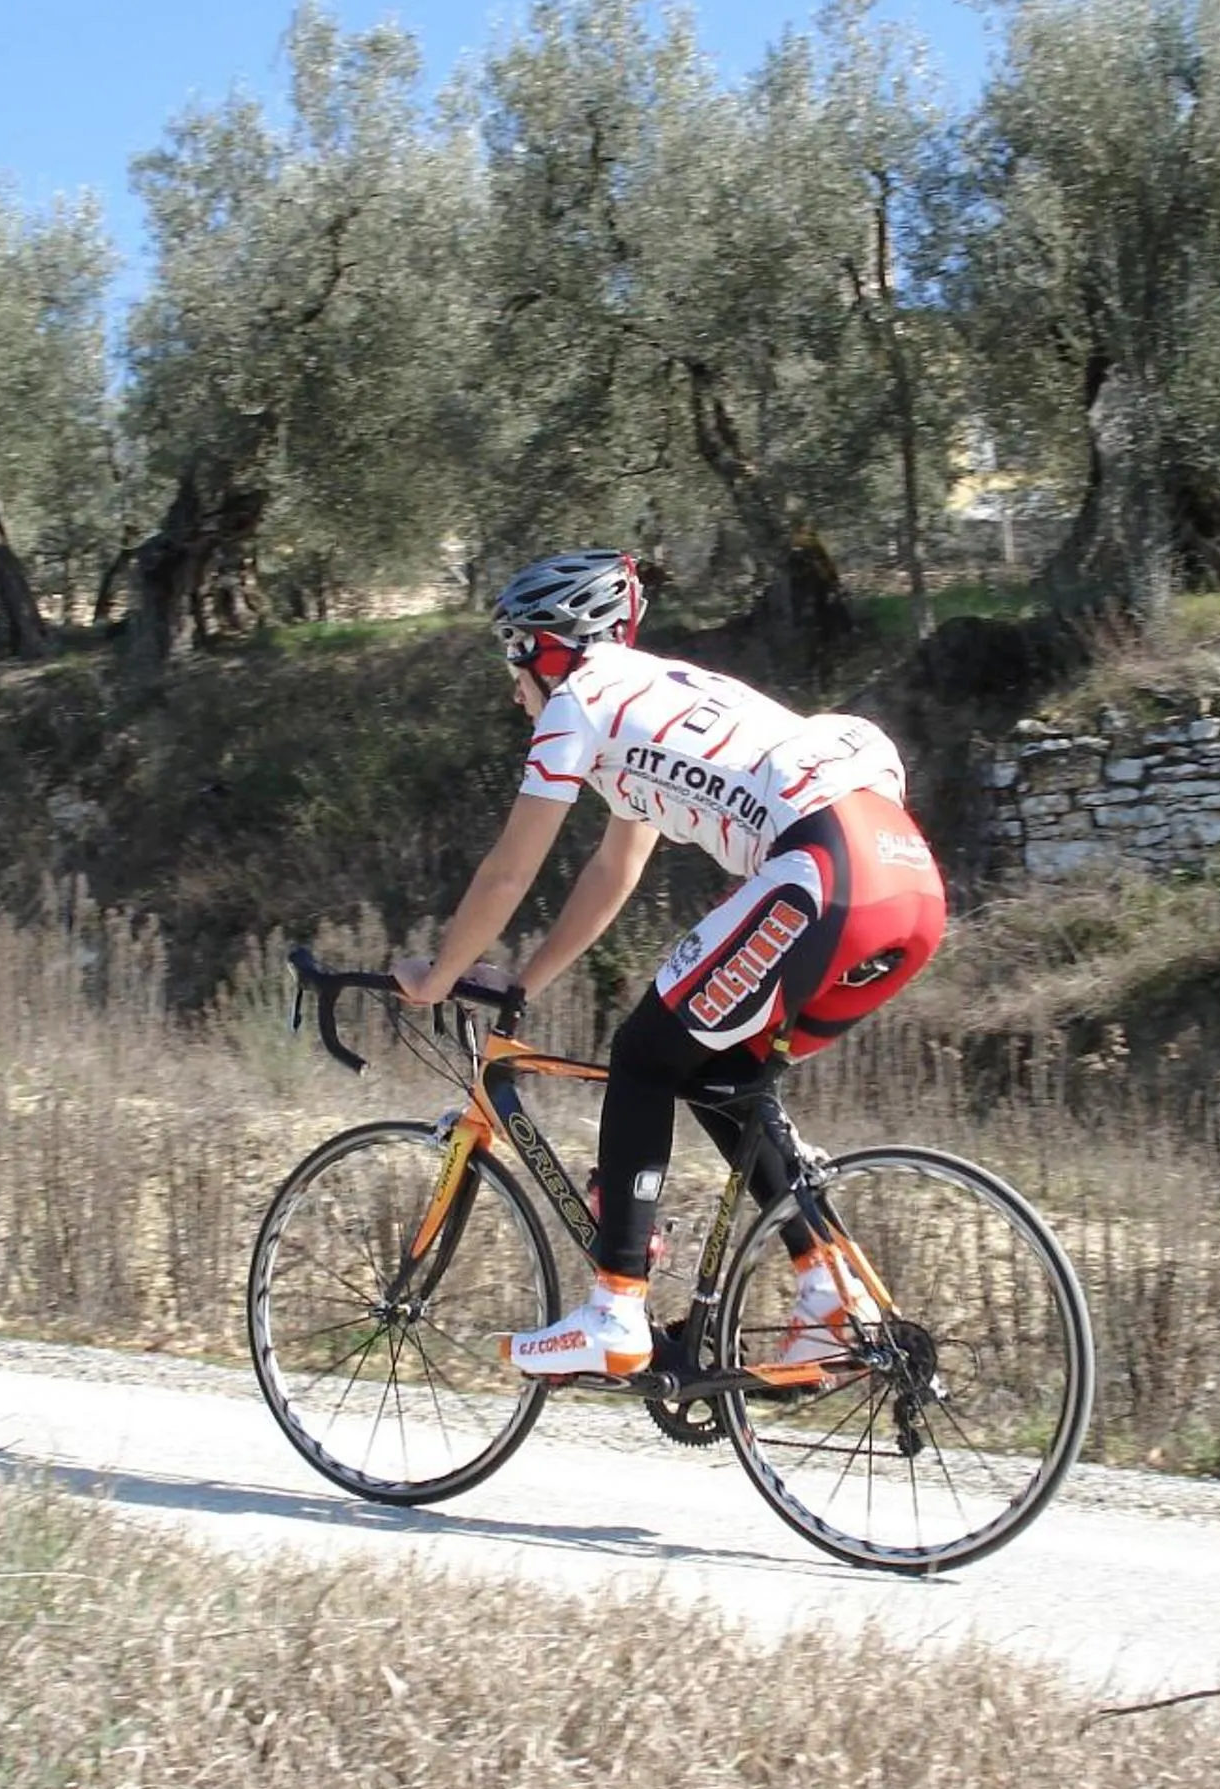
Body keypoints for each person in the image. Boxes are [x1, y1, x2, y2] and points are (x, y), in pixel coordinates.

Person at [394, 548, 946, 1378]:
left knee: (645, 1053)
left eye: (514, 659)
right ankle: (831, 1293)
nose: (514, 689)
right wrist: (525, 981)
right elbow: (614, 870)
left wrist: (436, 976)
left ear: (548, 648)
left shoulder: (576, 702)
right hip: (907, 883)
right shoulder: (655, 696)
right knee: (717, 1070)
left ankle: (615, 1306)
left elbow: (512, 869)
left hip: (824, 870)